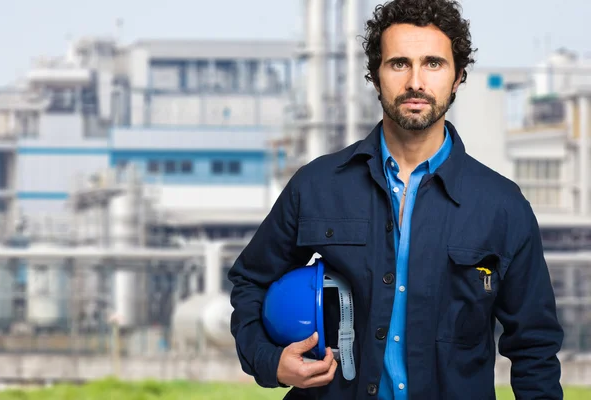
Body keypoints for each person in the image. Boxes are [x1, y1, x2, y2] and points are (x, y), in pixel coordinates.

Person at [228, 0, 564, 399]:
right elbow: (250, 281)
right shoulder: (317, 185)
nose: (416, 82)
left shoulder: (502, 206)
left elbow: (534, 346)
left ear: (458, 78)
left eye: (434, 64)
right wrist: (270, 361)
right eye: (399, 63)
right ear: (375, 75)